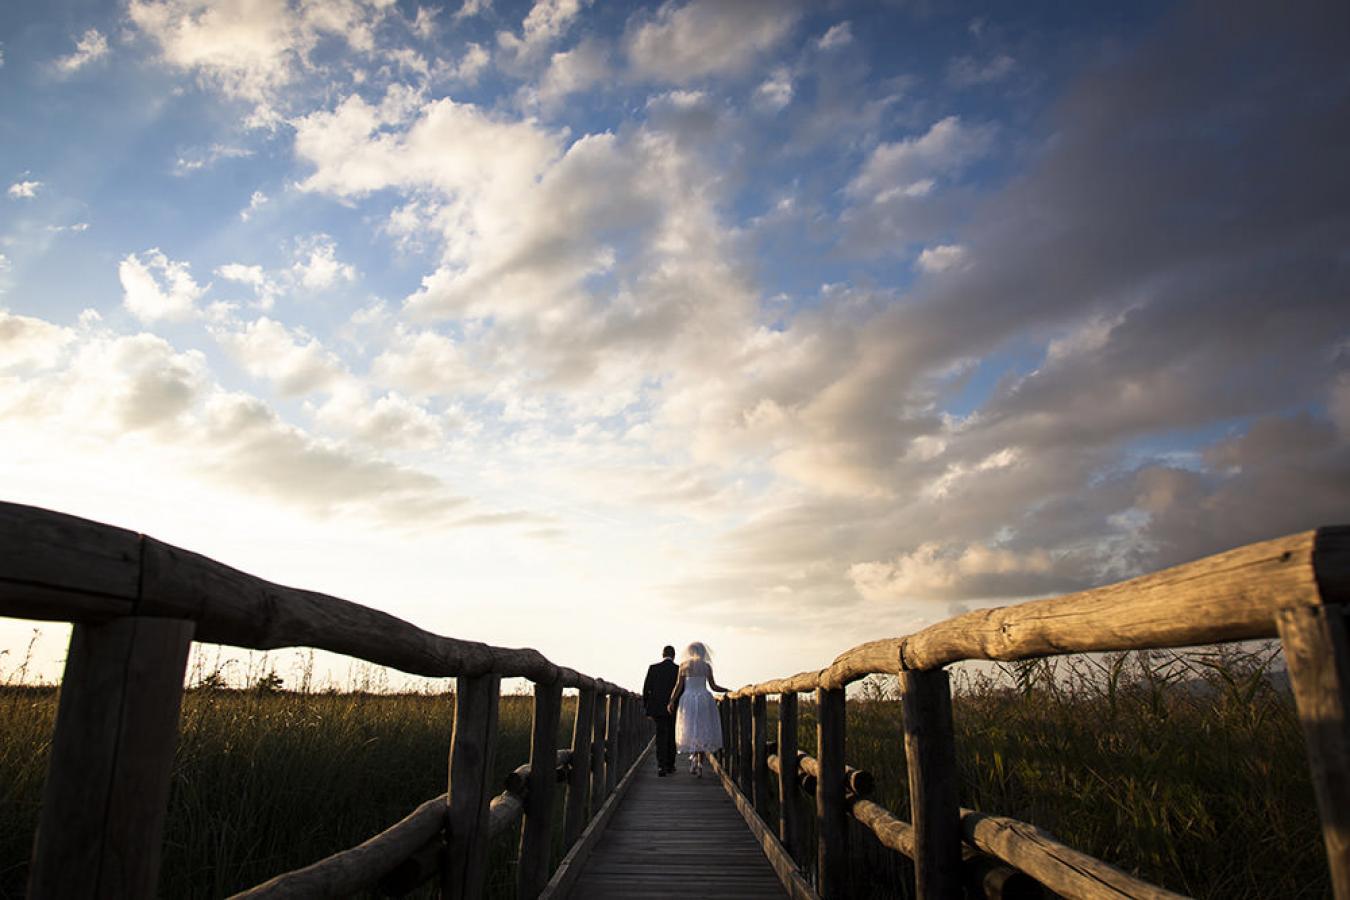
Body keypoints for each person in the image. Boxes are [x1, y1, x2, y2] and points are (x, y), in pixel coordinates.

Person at [666, 641, 727, 777]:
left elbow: (678, 686)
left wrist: (671, 700)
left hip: (688, 699)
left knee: (690, 728)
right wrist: (727, 690)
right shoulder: (706, 666)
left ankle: (693, 759)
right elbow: (714, 686)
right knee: (702, 728)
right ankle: (700, 762)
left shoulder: (684, 666)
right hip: (704, 699)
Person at [642, 645, 680, 776]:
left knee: (660, 736)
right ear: (674, 656)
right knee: (671, 735)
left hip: (657, 708)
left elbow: (646, 689)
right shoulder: (678, 669)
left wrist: (647, 707)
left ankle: (661, 766)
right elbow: (681, 690)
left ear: (662, 655)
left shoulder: (653, 668)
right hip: (674, 708)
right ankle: (670, 765)